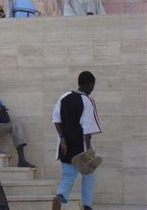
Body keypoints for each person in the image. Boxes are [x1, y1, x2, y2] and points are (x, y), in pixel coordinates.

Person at [51, 71, 102, 210]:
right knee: (89, 174)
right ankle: (87, 206)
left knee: (68, 175)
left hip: (65, 145)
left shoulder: (64, 96)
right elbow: (87, 128)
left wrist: (62, 139)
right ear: (90, 84)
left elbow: (56, 120)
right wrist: (89, 148)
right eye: (93, 86)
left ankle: (59, 197)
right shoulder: (88, 101)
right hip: (80, 145)